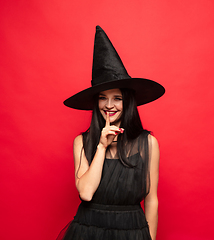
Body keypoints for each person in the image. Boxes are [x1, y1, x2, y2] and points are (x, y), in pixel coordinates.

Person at [58, 26, 165, 240]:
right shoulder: (82, 141)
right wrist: (101, 146)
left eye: (117, 98)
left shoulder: (148, 143)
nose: (109, 105)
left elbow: (152, 199)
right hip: (89, 231)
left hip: (132, 231)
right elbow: (86, 193)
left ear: (128, 102)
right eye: (102, 97)